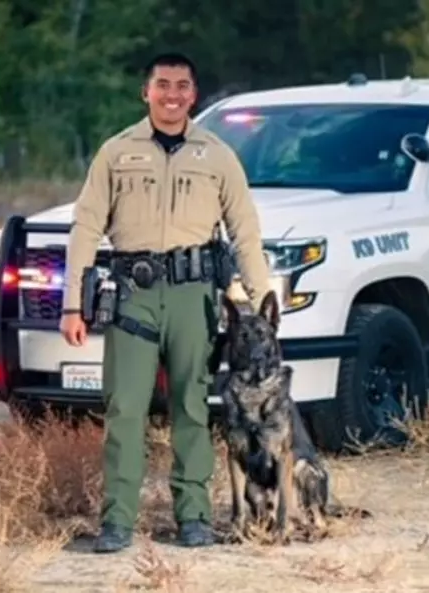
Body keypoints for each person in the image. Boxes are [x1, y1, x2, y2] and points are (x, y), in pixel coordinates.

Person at [58, 52, 269, 553]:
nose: (171, 94)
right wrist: (72, 304)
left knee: (192, 408)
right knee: (125, 409)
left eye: (181, 86)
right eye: (162, 85)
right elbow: (86, 227)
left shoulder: (217, 155)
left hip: (193, 297)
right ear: (145, 92)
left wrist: (261, 308)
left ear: (193, 95)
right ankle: (117, 522)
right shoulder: (116, 152)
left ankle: (194, 517)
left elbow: (246, 232)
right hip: (133, 296)